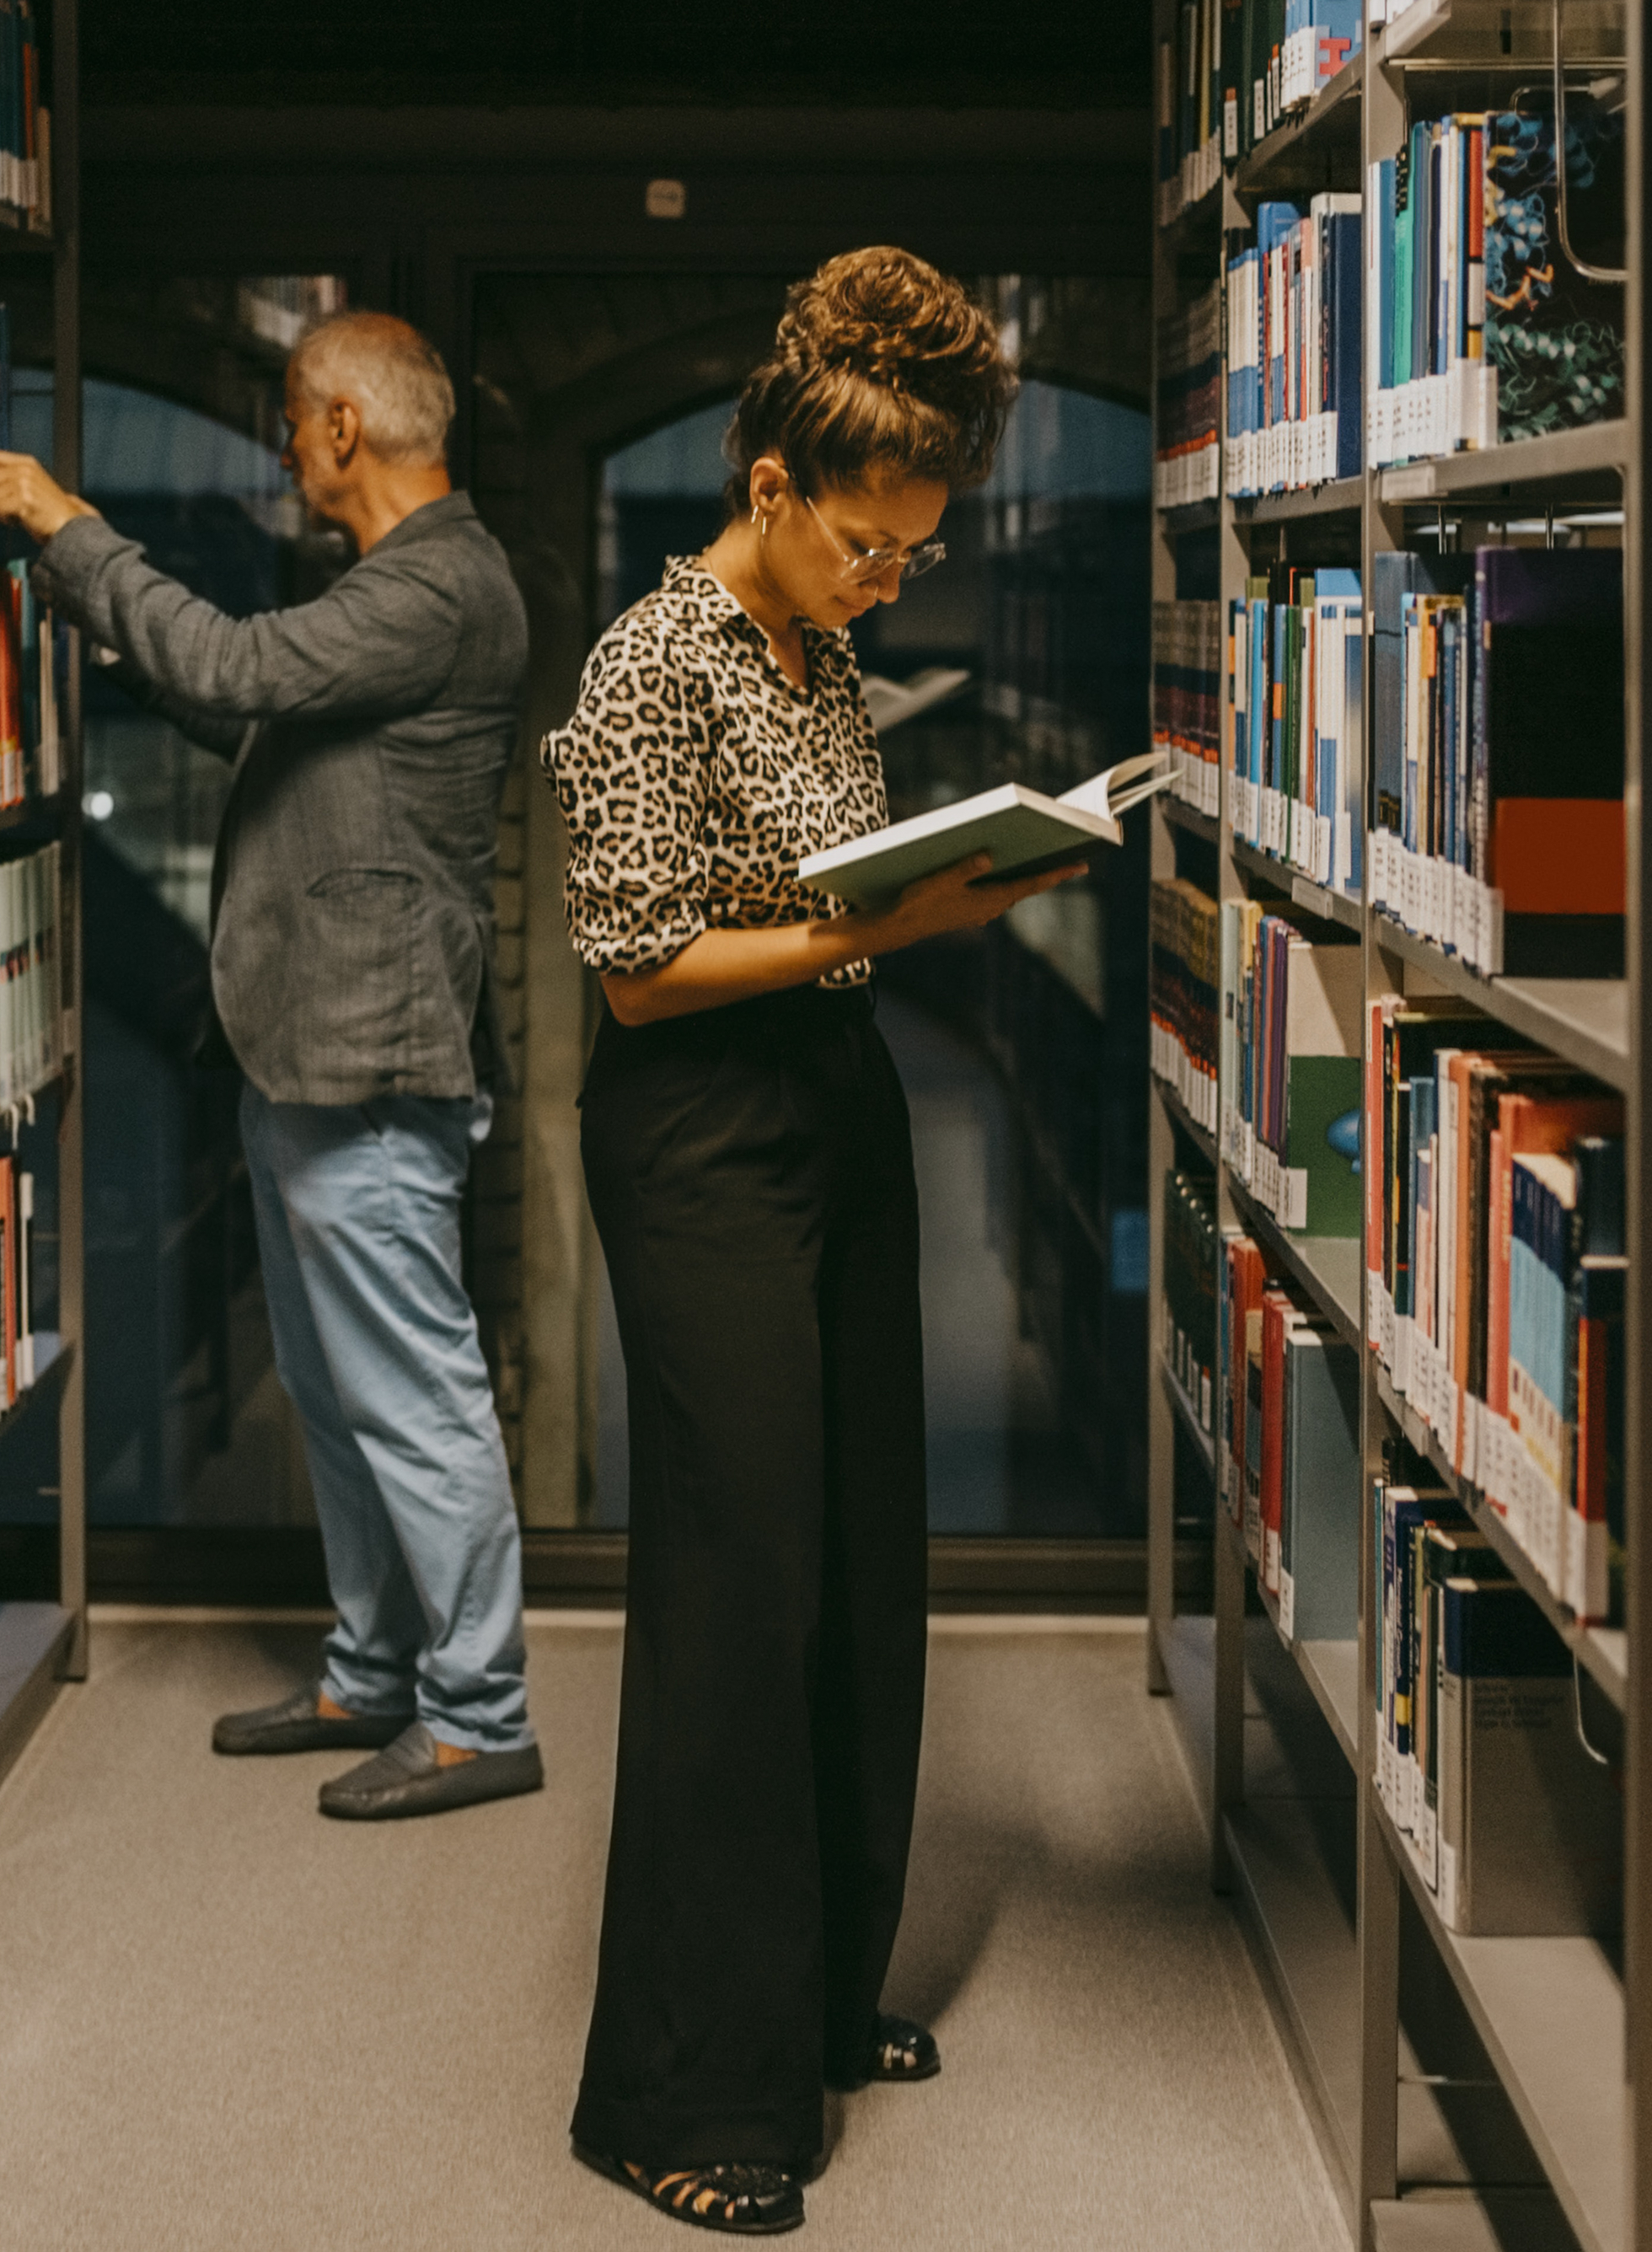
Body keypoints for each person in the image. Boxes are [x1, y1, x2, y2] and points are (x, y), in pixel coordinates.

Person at [538, 248, 1070, 2233]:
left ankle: (819, 2000)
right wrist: (888, 928)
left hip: (836, 1107)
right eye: (863, 543)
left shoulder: (814, 653)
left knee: (854, 1549)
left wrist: (936, 881)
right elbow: (640, 963)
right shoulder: (646, 662)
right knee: (735, 1579)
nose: (883, 580)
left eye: (911, 556)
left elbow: (819, 879)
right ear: (766, 486)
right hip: (698, 1131)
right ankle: (684, 2094)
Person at [0, 311, 540, 1823]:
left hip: (370, 1058)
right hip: (312, 1049)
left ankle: (480, 1712)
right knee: (336, 1390)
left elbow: (233, 670)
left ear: (345, 427)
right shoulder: (391, 588)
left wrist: (77, 538)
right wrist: (107, 620)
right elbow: (243, 700)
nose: (286, 449)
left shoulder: (440, 585)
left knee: (413, 1397)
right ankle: (373, 1667)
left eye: (295, 421)